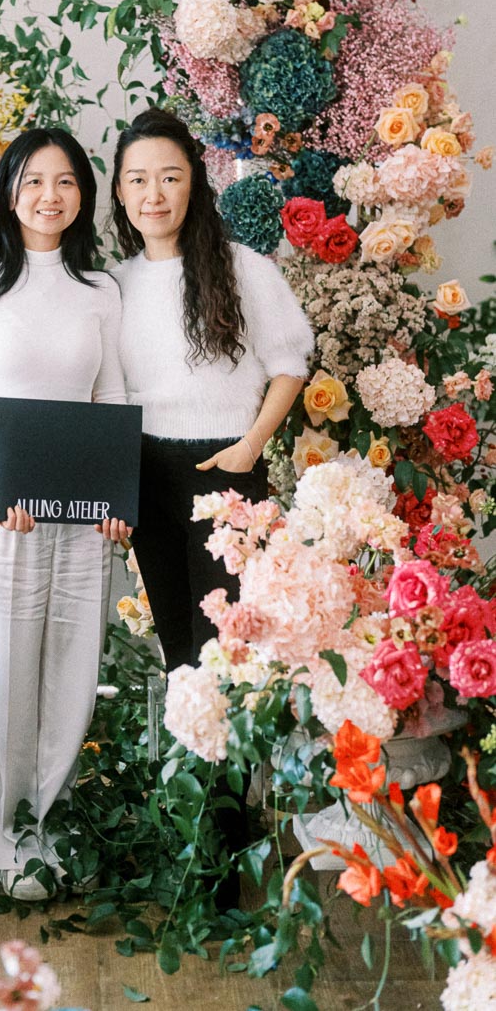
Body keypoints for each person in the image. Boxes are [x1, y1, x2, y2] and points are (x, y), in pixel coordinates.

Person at [0, 126, 126, 902]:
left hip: (84, 519)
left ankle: (48, 823)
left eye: (67, 182)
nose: (51, 196)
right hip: (2, 512)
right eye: (35, 181)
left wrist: (118, 501)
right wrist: (3, 483)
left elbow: (111, 400)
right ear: (9, 191)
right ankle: (2, 835)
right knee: (1, 671)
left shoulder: (102, 291)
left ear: (83, 195)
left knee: (71, 671)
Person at [109, 108, 314, 674]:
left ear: (194, 184)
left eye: (170, 177)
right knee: (178, 646)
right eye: (139, 179)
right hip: (145, 471)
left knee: (232, 649)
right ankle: (194, 759)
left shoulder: (244, 269)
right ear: (121, 193)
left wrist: (249, 448)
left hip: (225, 468)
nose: (155, 194)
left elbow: (290, 363)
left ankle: (237, 765)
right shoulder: (115, 286)